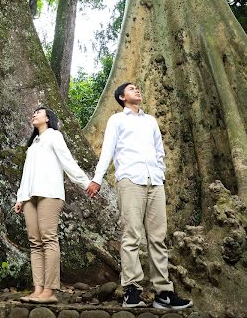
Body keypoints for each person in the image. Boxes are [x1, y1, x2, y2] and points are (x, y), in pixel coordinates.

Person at [85, 82, 193, 311]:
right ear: (122, 97)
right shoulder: (117, 120)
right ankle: (131, 290)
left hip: (154, 181)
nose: (137, 90)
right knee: (131, 235)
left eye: (137, 88)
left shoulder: (150, 121)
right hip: (130, 180)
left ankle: (163, 292)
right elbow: (107, 151)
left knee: (157, 238)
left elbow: (159, 151)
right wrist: (97, 179)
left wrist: (160, 175)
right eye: (132, 89)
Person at [14, 106, 90, 304]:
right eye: (33, 112)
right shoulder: (33, 145)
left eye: (39, 112)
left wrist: (86, 183)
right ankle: (37, 289)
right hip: (30, 197)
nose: (34, 114)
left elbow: (68, 162)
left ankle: (49, 290)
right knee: (35, 243)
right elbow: (26, 174)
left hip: (50, 193)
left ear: (48, 118)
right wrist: (20, 197)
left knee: (48, 239)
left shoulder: (55, 136)